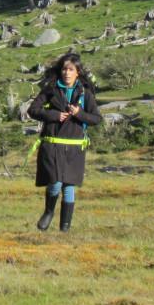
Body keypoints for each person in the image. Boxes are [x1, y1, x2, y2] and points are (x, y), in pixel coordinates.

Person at [28, 52, 100, 232]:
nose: (67, 73)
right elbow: (33, 110)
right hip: (53, 145)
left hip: (75, 147)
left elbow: (96, 118)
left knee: (69, 185)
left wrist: (79, 114)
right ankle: (48, 212)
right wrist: (54, 115)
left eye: (71, 70)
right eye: (64, 69)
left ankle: (64, 229)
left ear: (78, 72)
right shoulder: (50, 89)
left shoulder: (86, 93)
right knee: (56, 182)